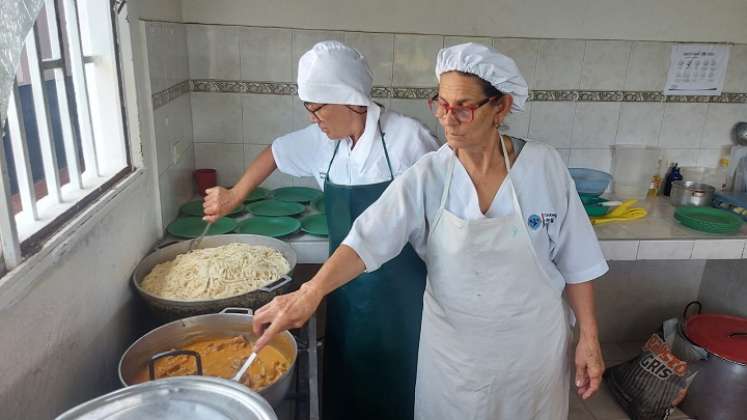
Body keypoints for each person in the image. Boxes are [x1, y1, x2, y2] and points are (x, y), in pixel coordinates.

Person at [250, 43, 609, 420]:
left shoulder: (544, 166)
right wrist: (310, 293)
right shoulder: (429, 174)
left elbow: (578, 261)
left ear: (500, 107)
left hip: (532, 354)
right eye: (441, 103)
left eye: (464, 107)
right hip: (456, 361)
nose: (448, 119)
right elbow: (368, 237)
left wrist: (589, 337)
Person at [203, 41, 439, 420]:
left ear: (350, 99)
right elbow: (274, 154)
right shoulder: (323, 143)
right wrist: (233, 196)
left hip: (402, 295)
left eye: (317, 108)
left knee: (401, 380)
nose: (313, 118)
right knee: (348, 376)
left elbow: (438, 216)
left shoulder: (409, 140)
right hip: (343, 286)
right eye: (308, 109)